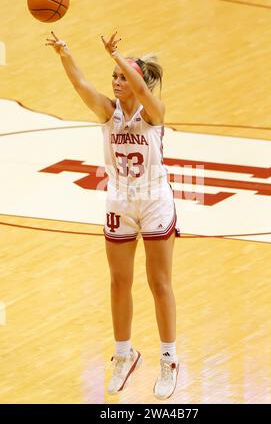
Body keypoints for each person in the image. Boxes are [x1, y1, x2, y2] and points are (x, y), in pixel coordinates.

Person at [46, 31, 180, 400]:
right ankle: (125, 355)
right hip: (120, 200)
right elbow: (81, 85)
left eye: (123, 77)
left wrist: (119, 56)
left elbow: (139, 84)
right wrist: (65, 53)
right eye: (115, 76)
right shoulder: (108, 112)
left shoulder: (155, 112)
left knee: (159, 283)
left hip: (154, 200)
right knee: (119, 282)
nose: (117, 81)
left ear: (137, 81)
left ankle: (169, 359)